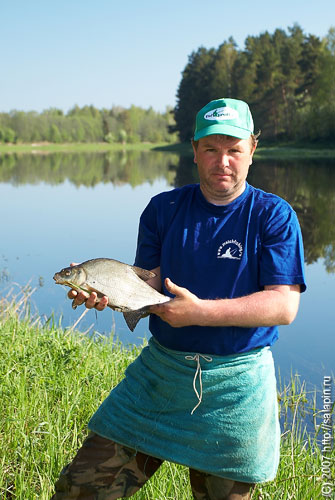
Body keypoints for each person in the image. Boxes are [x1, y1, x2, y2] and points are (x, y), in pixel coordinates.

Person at [51, 98, 306, 500]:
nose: (222, 160)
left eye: (234, 149)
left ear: (252, 150)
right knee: (80, 489)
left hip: (237, 387)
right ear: (194, 150)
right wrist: (107, 292)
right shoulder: (163, 209)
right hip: (162, 375)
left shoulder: (273, 215)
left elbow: (283, 306)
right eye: (211, 149)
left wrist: (200, 313)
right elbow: (146, 283)